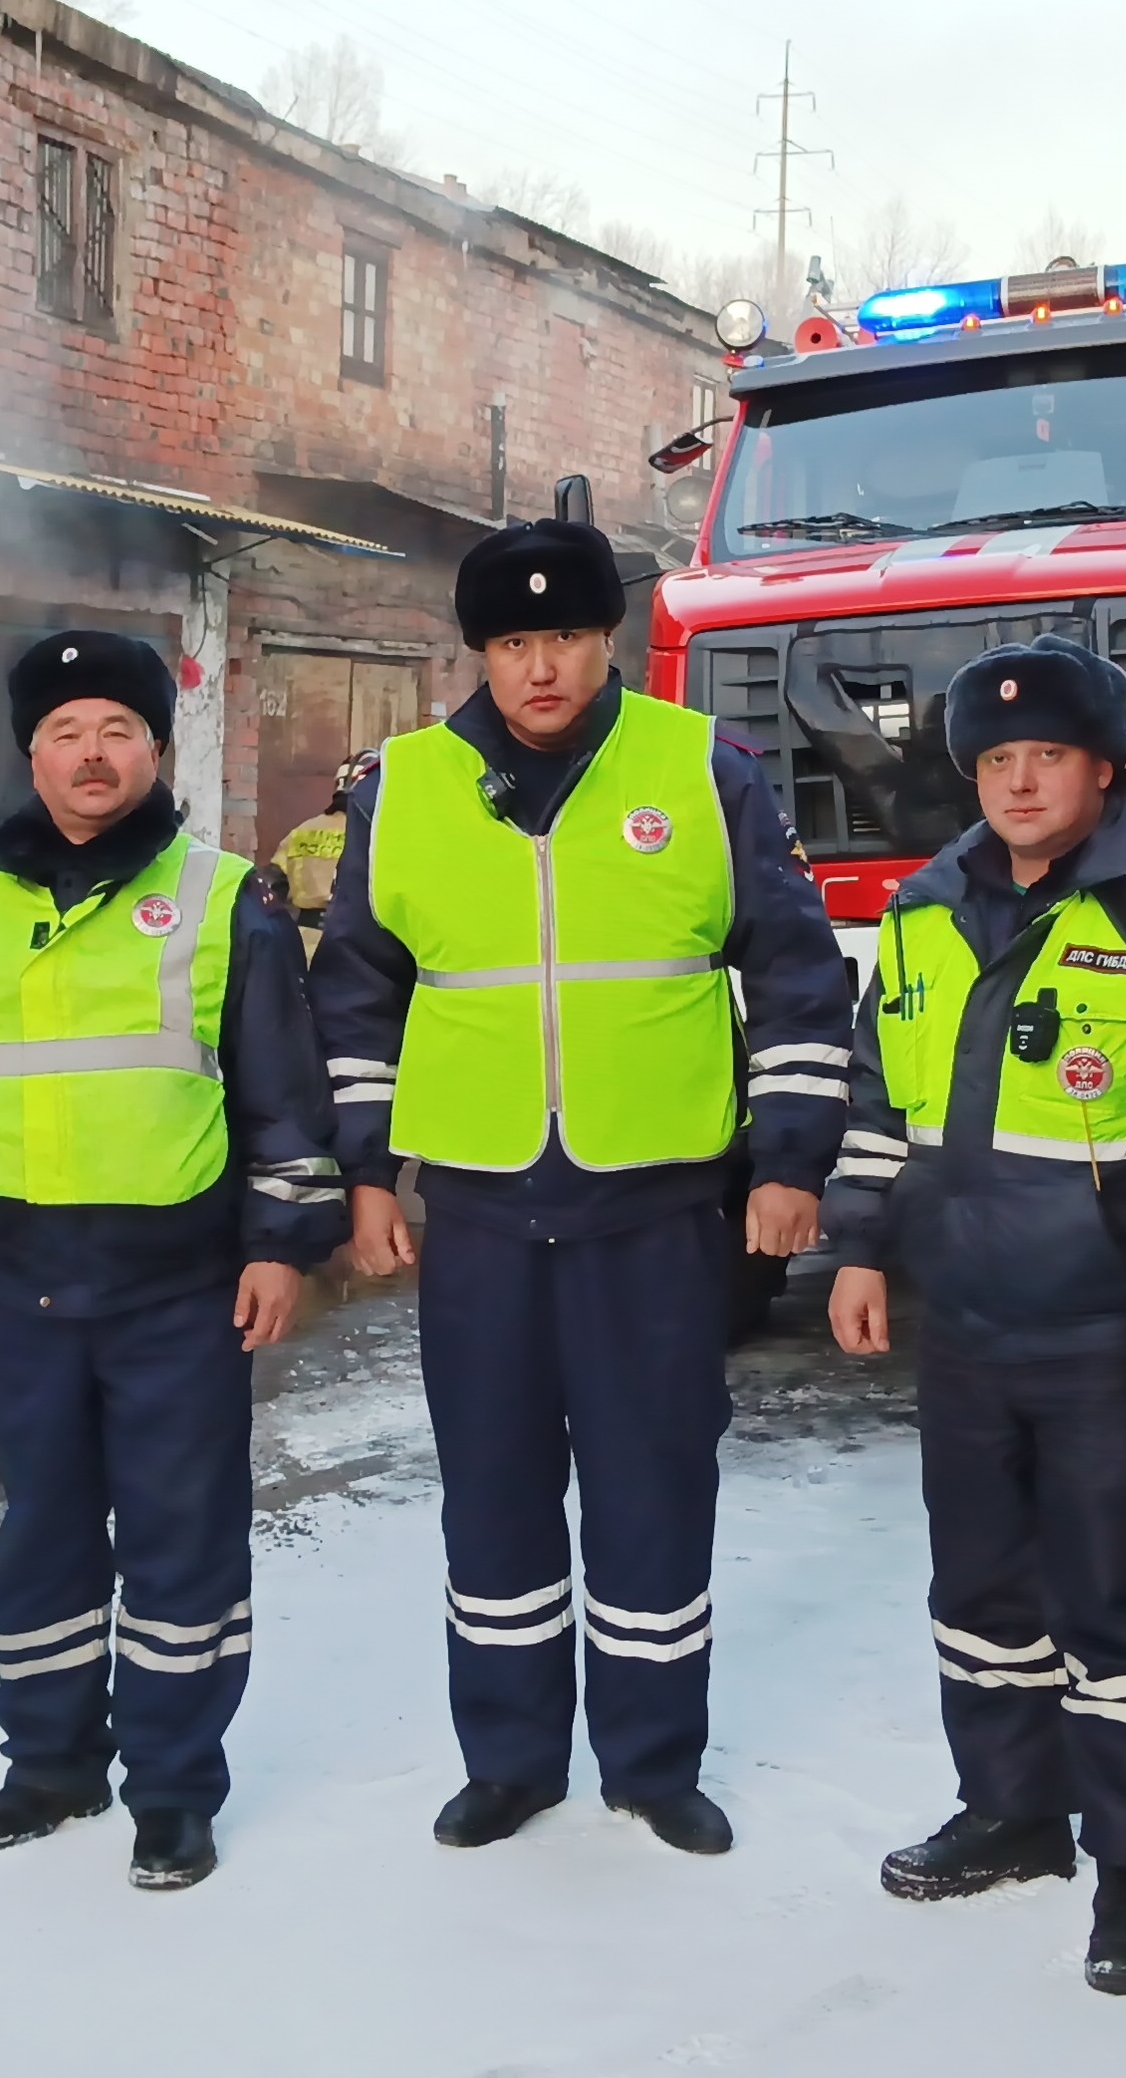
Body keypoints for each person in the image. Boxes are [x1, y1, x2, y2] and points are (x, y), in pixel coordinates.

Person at [310, 517, 849, 1859]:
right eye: (510, 642)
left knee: (655, 1484)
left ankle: (654, 1761)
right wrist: (368, 1180)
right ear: (481, 654)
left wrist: (788, 1162)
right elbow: (358, 998)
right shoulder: (408, 790)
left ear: (606, 639)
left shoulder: (703, 772)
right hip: (484, 1211)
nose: (539, 667)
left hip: (659, 1211)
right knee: (489, 1490)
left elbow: (795, 971)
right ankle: (508, 1758)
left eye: (563, 637)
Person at [818, 633, 1126, 1996]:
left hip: (1110, 1332)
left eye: (1047, 758)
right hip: (968, 1328)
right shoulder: (923, 914)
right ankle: (1016, 1812)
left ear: (1104, 768)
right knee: (981, 1594)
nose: (1020, 783)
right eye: (995, 760)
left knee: (1121, 1603)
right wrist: (861, 1252)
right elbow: (879, 1105)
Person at [0, 630, 345, 1893]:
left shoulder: (227, 897)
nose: (91, 752)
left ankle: (171, 1792)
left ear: (157, 750)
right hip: (14, 1282)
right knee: (44, 1534)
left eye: (117, 728)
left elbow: (286, 1094)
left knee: (181, 1543)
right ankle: (50, 1765)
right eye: (65, 731)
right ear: (33, 754)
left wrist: (284, 1244)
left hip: (175, 1286)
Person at [268, 750, 376, 956]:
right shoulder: (375, 835)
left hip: (302, 945)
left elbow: (272, 888)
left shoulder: (301, 832)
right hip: (355, 948)